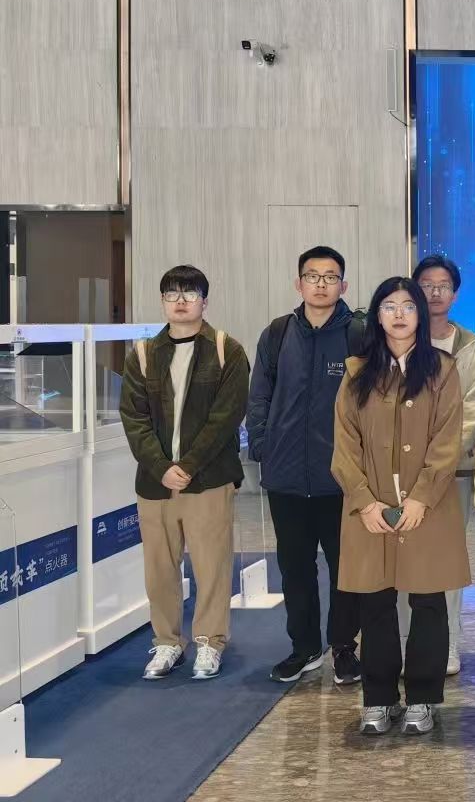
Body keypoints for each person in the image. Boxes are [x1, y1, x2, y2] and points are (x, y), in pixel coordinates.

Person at [330, 277, 468, 736]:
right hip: (370, 508)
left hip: (428, 506)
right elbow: (344, 446)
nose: (399, 314)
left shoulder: (442, 369)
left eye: (408, 306)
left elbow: (447, 441)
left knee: (428, 601)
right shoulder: (357, 372)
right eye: (389, 306)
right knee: (374, 601)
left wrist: (423, 496)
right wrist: (364, 502)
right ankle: (379, 698)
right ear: (377, 315)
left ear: (420, 315)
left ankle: (423, 698)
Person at [120, 265, 249, 682]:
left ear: (204, 302)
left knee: (211, 565)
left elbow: (226, 417)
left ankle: (210, 641)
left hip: (207, 479)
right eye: (172, 294)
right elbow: (134, 419)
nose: (180, 301)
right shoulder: (143, 354)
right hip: (155, 483)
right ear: (162, 302)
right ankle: (167, 641)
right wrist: (162, 468)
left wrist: (188, 466)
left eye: (190, 293)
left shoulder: (227, 350)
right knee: (159, 569)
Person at [246, 245, 363, 685]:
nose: (321, 284)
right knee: (295, 568)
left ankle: (344, 648)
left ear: (343, 286)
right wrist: (263, 444)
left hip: (341, 479)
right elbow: (259, 394)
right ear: (299, 284)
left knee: (345, 568)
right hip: (287, 476)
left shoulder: (358, 334)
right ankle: (305, 648)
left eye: (330, 277)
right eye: (312, 276)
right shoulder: (278, 333)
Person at [413, 254, 475, 676]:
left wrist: (439, 460)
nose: (435, 292)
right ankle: (406, 642)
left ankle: (447, 644)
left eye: (443, 285)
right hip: (400, 473)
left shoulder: (470, 346)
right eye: (427, 284)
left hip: (454, 472)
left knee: (447, 557)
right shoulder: (399, 337)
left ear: (456, 294)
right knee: (402, 556)